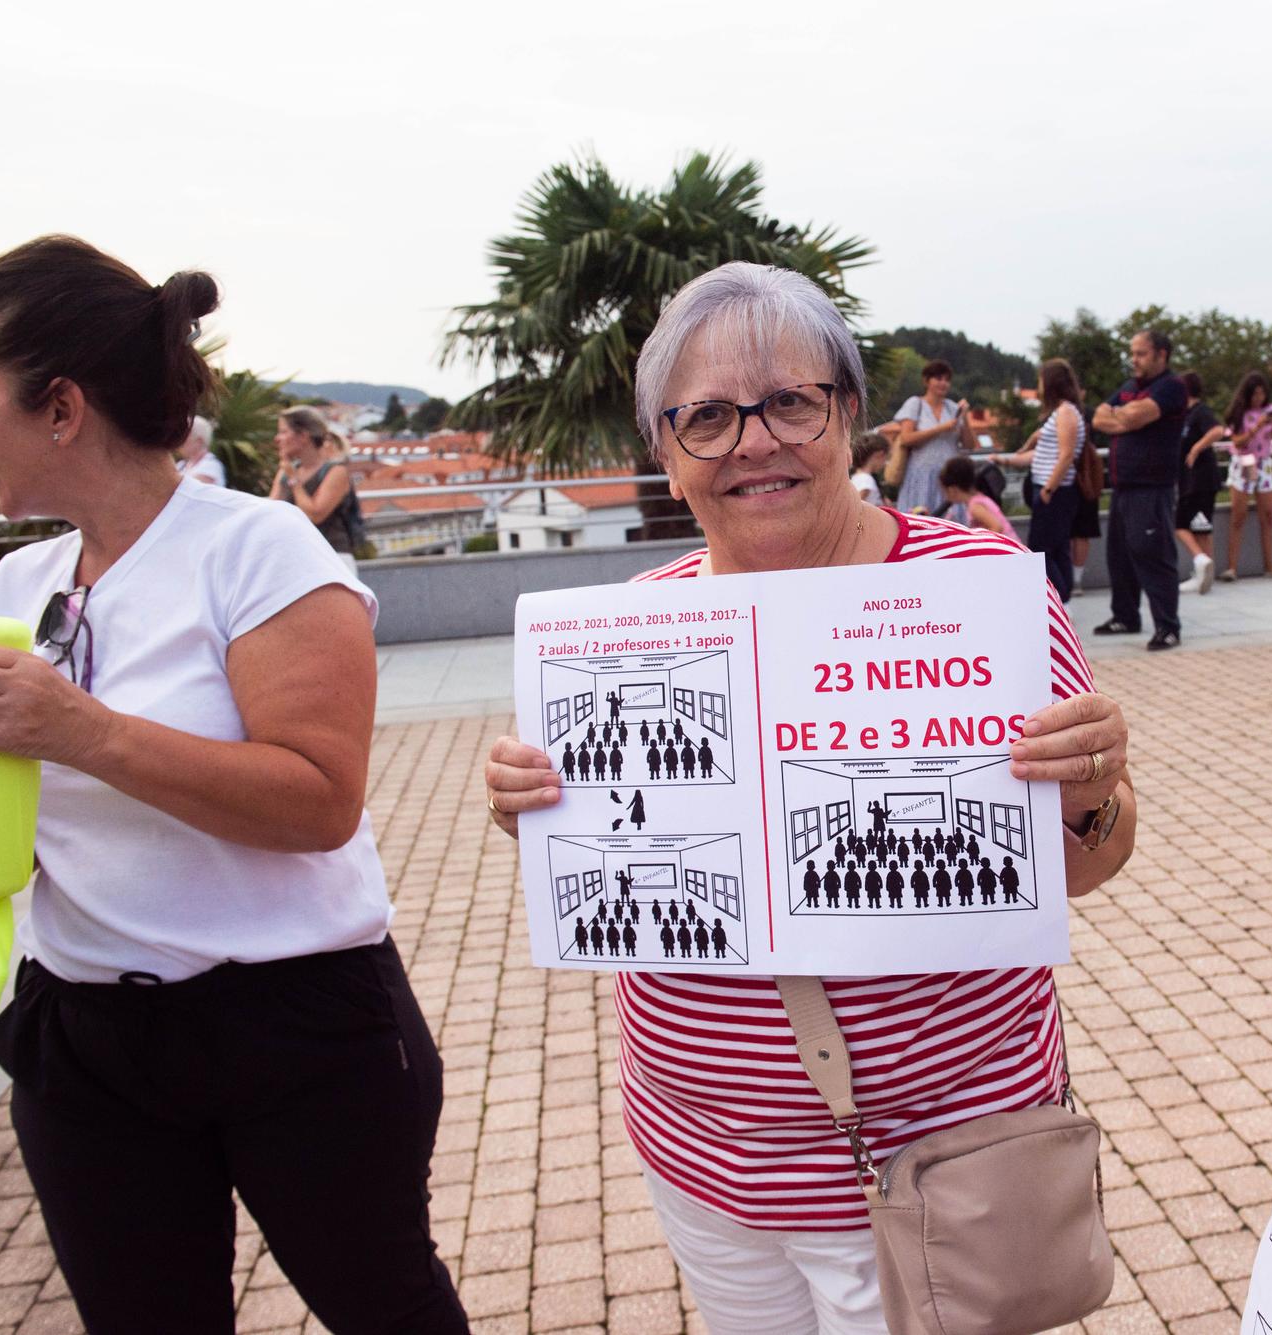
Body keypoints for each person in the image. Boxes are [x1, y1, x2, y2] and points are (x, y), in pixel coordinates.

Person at [482, 261, 1137, 1333]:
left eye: (790, 401)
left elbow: (1087, 861)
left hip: (936, 1161)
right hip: (700, 1157)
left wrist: (1094, 789)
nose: (753, 442)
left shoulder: (977, 596)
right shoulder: (626, 631)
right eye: (706, 418)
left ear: (848, 419)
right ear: (665, 452)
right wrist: (529, 807)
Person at [0, 236, 467, 1333]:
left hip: (297, 1030)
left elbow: (316, 802)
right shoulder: (25, 576)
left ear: (60, 407)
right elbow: (35, 772)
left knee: (385, 1309)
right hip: (86, 1037)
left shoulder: (264, 555)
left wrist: (84, 731)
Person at [1090, 330, 1189, 650]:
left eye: (1141, 353)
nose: (1134, 359)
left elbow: (1130, 418)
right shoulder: (1132, 387)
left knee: (1154, 556)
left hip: (1152, 488)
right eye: (1132, 353)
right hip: (1123, 487)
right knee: (1119, 557)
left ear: (1162, 354)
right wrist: (1123, 417)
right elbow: (1099, 418)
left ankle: (1167, 626)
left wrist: (1124, 417)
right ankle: (1125, 616)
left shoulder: (1172, 387)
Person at [989, 358, 1083, 599]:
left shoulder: (1065, 413)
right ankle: (1062, 598)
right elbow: (1043, 454)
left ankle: (1058, 598)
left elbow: (1066, 455)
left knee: (1042, 549)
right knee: (1057, 547)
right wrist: (1006, 460)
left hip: (1055, 491)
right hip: (1052, 490)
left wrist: (1048, 489)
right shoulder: (1062, 413)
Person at [269, 406, 365, 572]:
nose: (277, 439)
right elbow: (272, 512)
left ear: (303, 436)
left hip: (333, 559)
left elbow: (315, 515)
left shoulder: (336, 471)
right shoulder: (287, 471)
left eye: (284, 432)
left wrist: (294, 481)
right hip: (297, 558)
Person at [1221, 371, 1272, 580]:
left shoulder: (1271, 410)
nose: (1259, 398)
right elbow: (1236, 441)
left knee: (1268, 514)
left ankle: (1270, 565)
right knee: (1239, 515)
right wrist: (1257, 426)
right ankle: (1232, 567)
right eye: (1255, 394)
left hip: (1264, 462)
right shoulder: (1238, 413)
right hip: (1245, 462)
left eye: (1262, 394)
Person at [887, 358, 979, 517]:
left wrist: (965, 418)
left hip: (949, 479)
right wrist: (941, 428)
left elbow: (969, 445)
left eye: (947, 380)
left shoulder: (952, 407)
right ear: (926, 381)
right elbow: (907, 438)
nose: (943, 383)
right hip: (921, 477)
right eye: (938, 378)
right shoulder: (915, 404)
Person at [1174, 370, 1226, 594]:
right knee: (1200, 528)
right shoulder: (1184, 414)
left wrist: (1196, 448)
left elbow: (1217, 431)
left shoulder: (1200, 411)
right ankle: (1204, 572)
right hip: (1189, 481)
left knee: (1182, 525)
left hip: (1201, 480)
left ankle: (1201, 562)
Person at [939, 454, 1019, 543]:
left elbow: (997, 527)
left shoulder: (975, 507)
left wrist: (978, 544)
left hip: (1007, 551)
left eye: (944, 491)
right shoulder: (979, 498)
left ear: (952, 490)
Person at [174, 414, 224, 486]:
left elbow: (189, 488)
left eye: (184, 437)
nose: (179, 441)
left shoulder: (211, 466)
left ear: (199, 441)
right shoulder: (181, 465)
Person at [849, 433, 886, 503]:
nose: (885, 463)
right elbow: (856, 505)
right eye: (885, 458)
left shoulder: (857, 477)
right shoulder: (866, 480)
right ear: (879, 454)